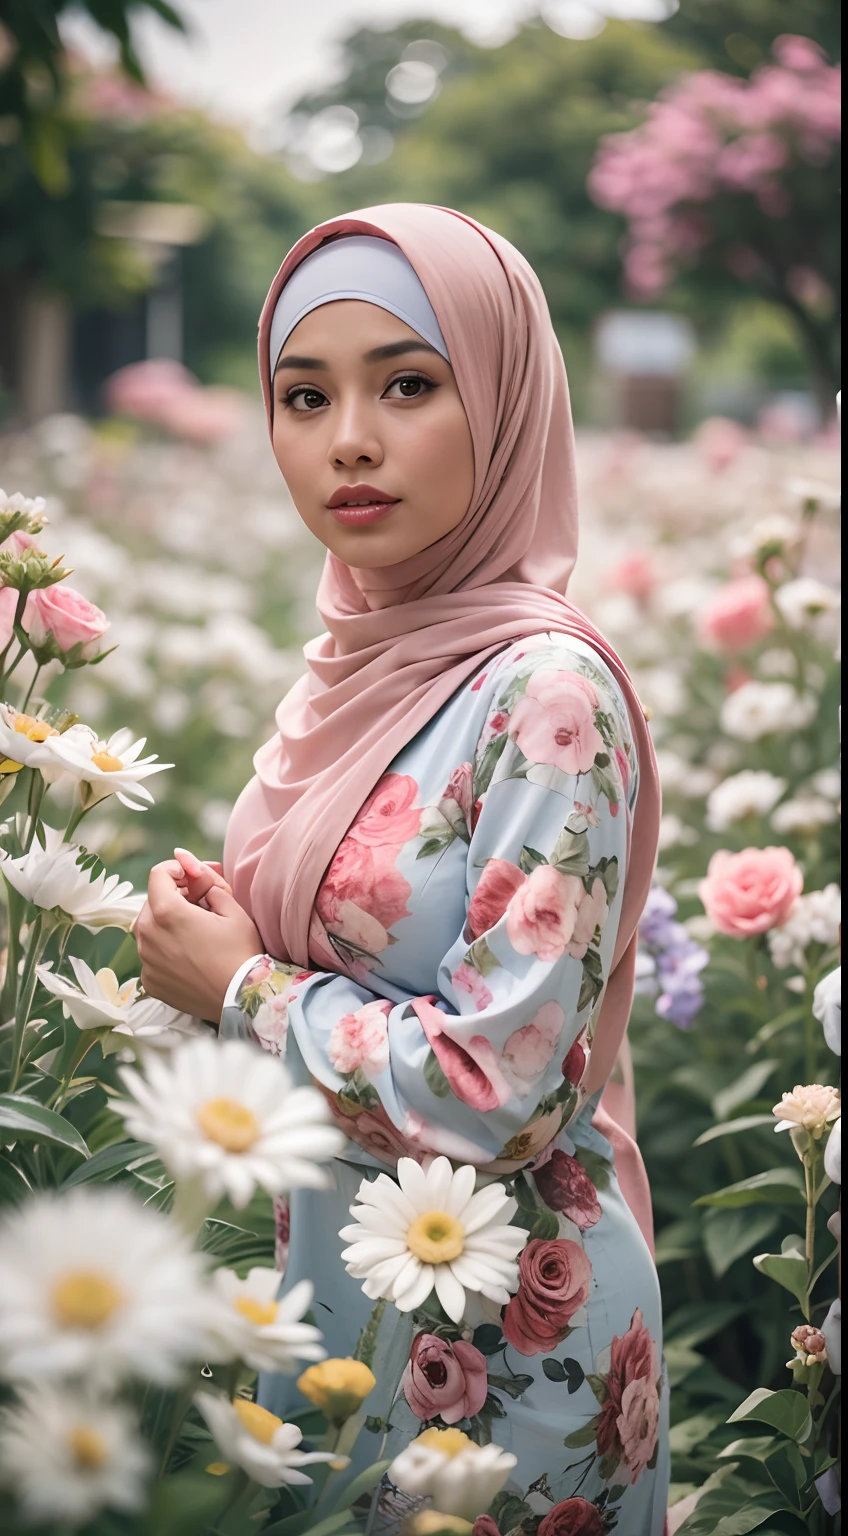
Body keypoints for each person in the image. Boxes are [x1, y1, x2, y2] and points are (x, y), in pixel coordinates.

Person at [134, 204, 669, 1532]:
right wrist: (236, 921)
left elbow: (510, 1087)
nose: (347, 439)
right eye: (302, 395)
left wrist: (243, 989)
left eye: (409, 384)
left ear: (502, 398)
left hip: (508, 1369)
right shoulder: (366, 659)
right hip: (338, 1300)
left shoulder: (542, 694)